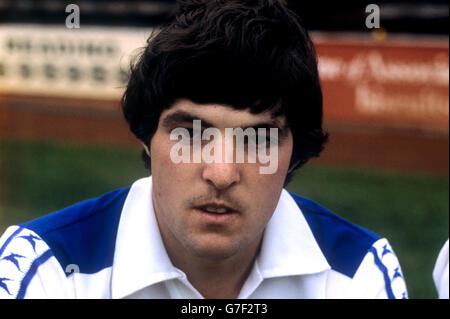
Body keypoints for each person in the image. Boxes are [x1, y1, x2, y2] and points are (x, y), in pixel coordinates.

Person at [0, 0, 407, 299]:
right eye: (191, 135)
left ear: (295, 153)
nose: (222, 172)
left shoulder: (358, 272)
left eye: (258, 140)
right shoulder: (45, 270)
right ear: (146, 135)